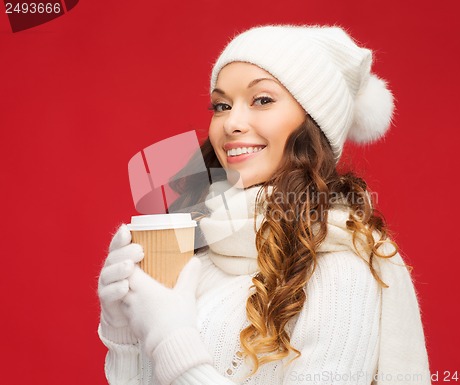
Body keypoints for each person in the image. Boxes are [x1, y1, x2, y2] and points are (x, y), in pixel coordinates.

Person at [97, 24, 431, 385]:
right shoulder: (202, 248)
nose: (232, 123)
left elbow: (173, 354)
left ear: (312, 123)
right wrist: (124, 332)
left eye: (262, 100)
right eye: (222, 106)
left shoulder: (339, 270)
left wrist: (171, 341)